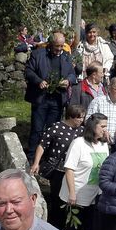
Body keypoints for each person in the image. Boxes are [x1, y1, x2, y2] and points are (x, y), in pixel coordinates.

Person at [61, 113, 111, 230]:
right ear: (92, 126)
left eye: (106, 126)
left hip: (94, 195)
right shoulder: (79, 143)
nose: (105, 129)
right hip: (76, 195)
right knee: (73, 229)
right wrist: (72, 193)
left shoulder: (103, 145)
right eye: (102, 126)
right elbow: (69, 169)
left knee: (92, 227)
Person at [29, 104, 85, 230]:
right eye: (79, 118)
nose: (81, 120)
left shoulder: (82, 131)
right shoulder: (57, 128)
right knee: (57, 199)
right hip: (58, 171)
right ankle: (55, 226)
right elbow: (42, 145)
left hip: (75, 171)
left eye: (83, 118)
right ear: (71, 116)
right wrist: (36, 163)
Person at [23, 30, 76, 162]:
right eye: (57, 46)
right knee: (37, 129)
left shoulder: (66, 56)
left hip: (57, 99)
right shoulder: (38, 54)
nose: (59, 49)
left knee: (53, 130)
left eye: (62, 46)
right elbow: (28, 71)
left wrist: (68, 81)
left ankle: (47, 159)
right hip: (41, 98)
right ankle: (31, 159)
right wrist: (39, 81)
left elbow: (72, 74)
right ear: (50, 44)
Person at [86, 77, 116, 142]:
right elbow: (88, 120)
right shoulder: (98, 101)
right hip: (99, 141)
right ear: (109, 88)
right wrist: (102, 131)